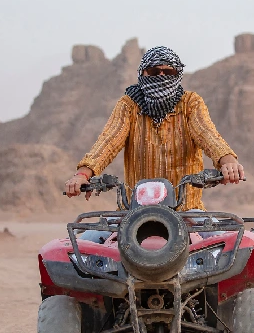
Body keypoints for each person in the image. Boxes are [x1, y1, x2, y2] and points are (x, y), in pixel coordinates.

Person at [64, 46, 244, 210]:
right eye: (154, 71)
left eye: (168, 72)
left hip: (186, 212)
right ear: (143, 74)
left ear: (178, 75)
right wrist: (83, 174)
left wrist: (227, 162)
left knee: (229, 243)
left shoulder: (190, 103)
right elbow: (108, 141)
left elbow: (207, 134)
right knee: (85, 242)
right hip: (135, 213)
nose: (161, 76)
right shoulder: (129, 105)